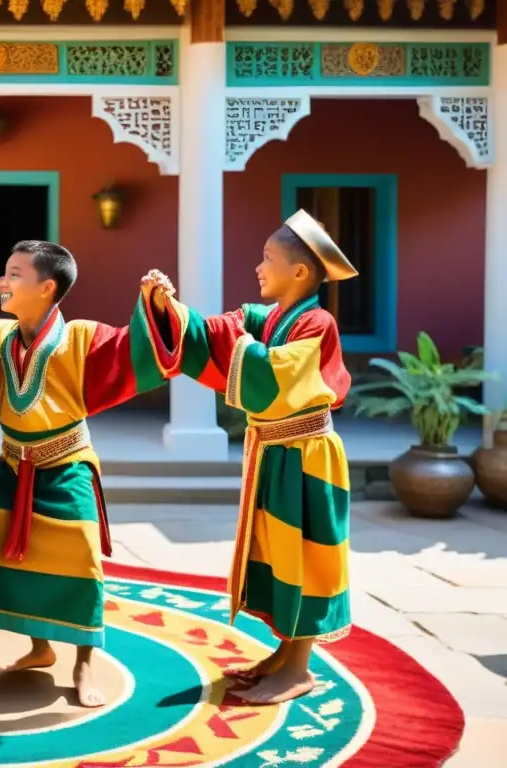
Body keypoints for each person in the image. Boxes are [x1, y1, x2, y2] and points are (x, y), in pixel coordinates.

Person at [142, 209, 356, 705]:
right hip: (277, 452)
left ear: (300, 272)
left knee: (304, 555)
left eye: (268, 258)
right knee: (278, 553)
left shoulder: (317, 323)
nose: (258, 268)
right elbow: (219, 330)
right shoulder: (274, 317)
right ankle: (284, 655)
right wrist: (168, 305)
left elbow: (276, 374)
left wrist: (239, 345)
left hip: (306, 457)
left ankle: (300, 669)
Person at [0, 239, 174, 708]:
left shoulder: (81, 335)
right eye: (5, 271)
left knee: (82, 564)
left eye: (15, 274)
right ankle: (38, 648)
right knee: (11, 564)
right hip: (11, 467)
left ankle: (84, 662)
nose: (3, 280)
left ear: (47, 288)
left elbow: (133, 350)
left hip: (67, 469)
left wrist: (155, 307)